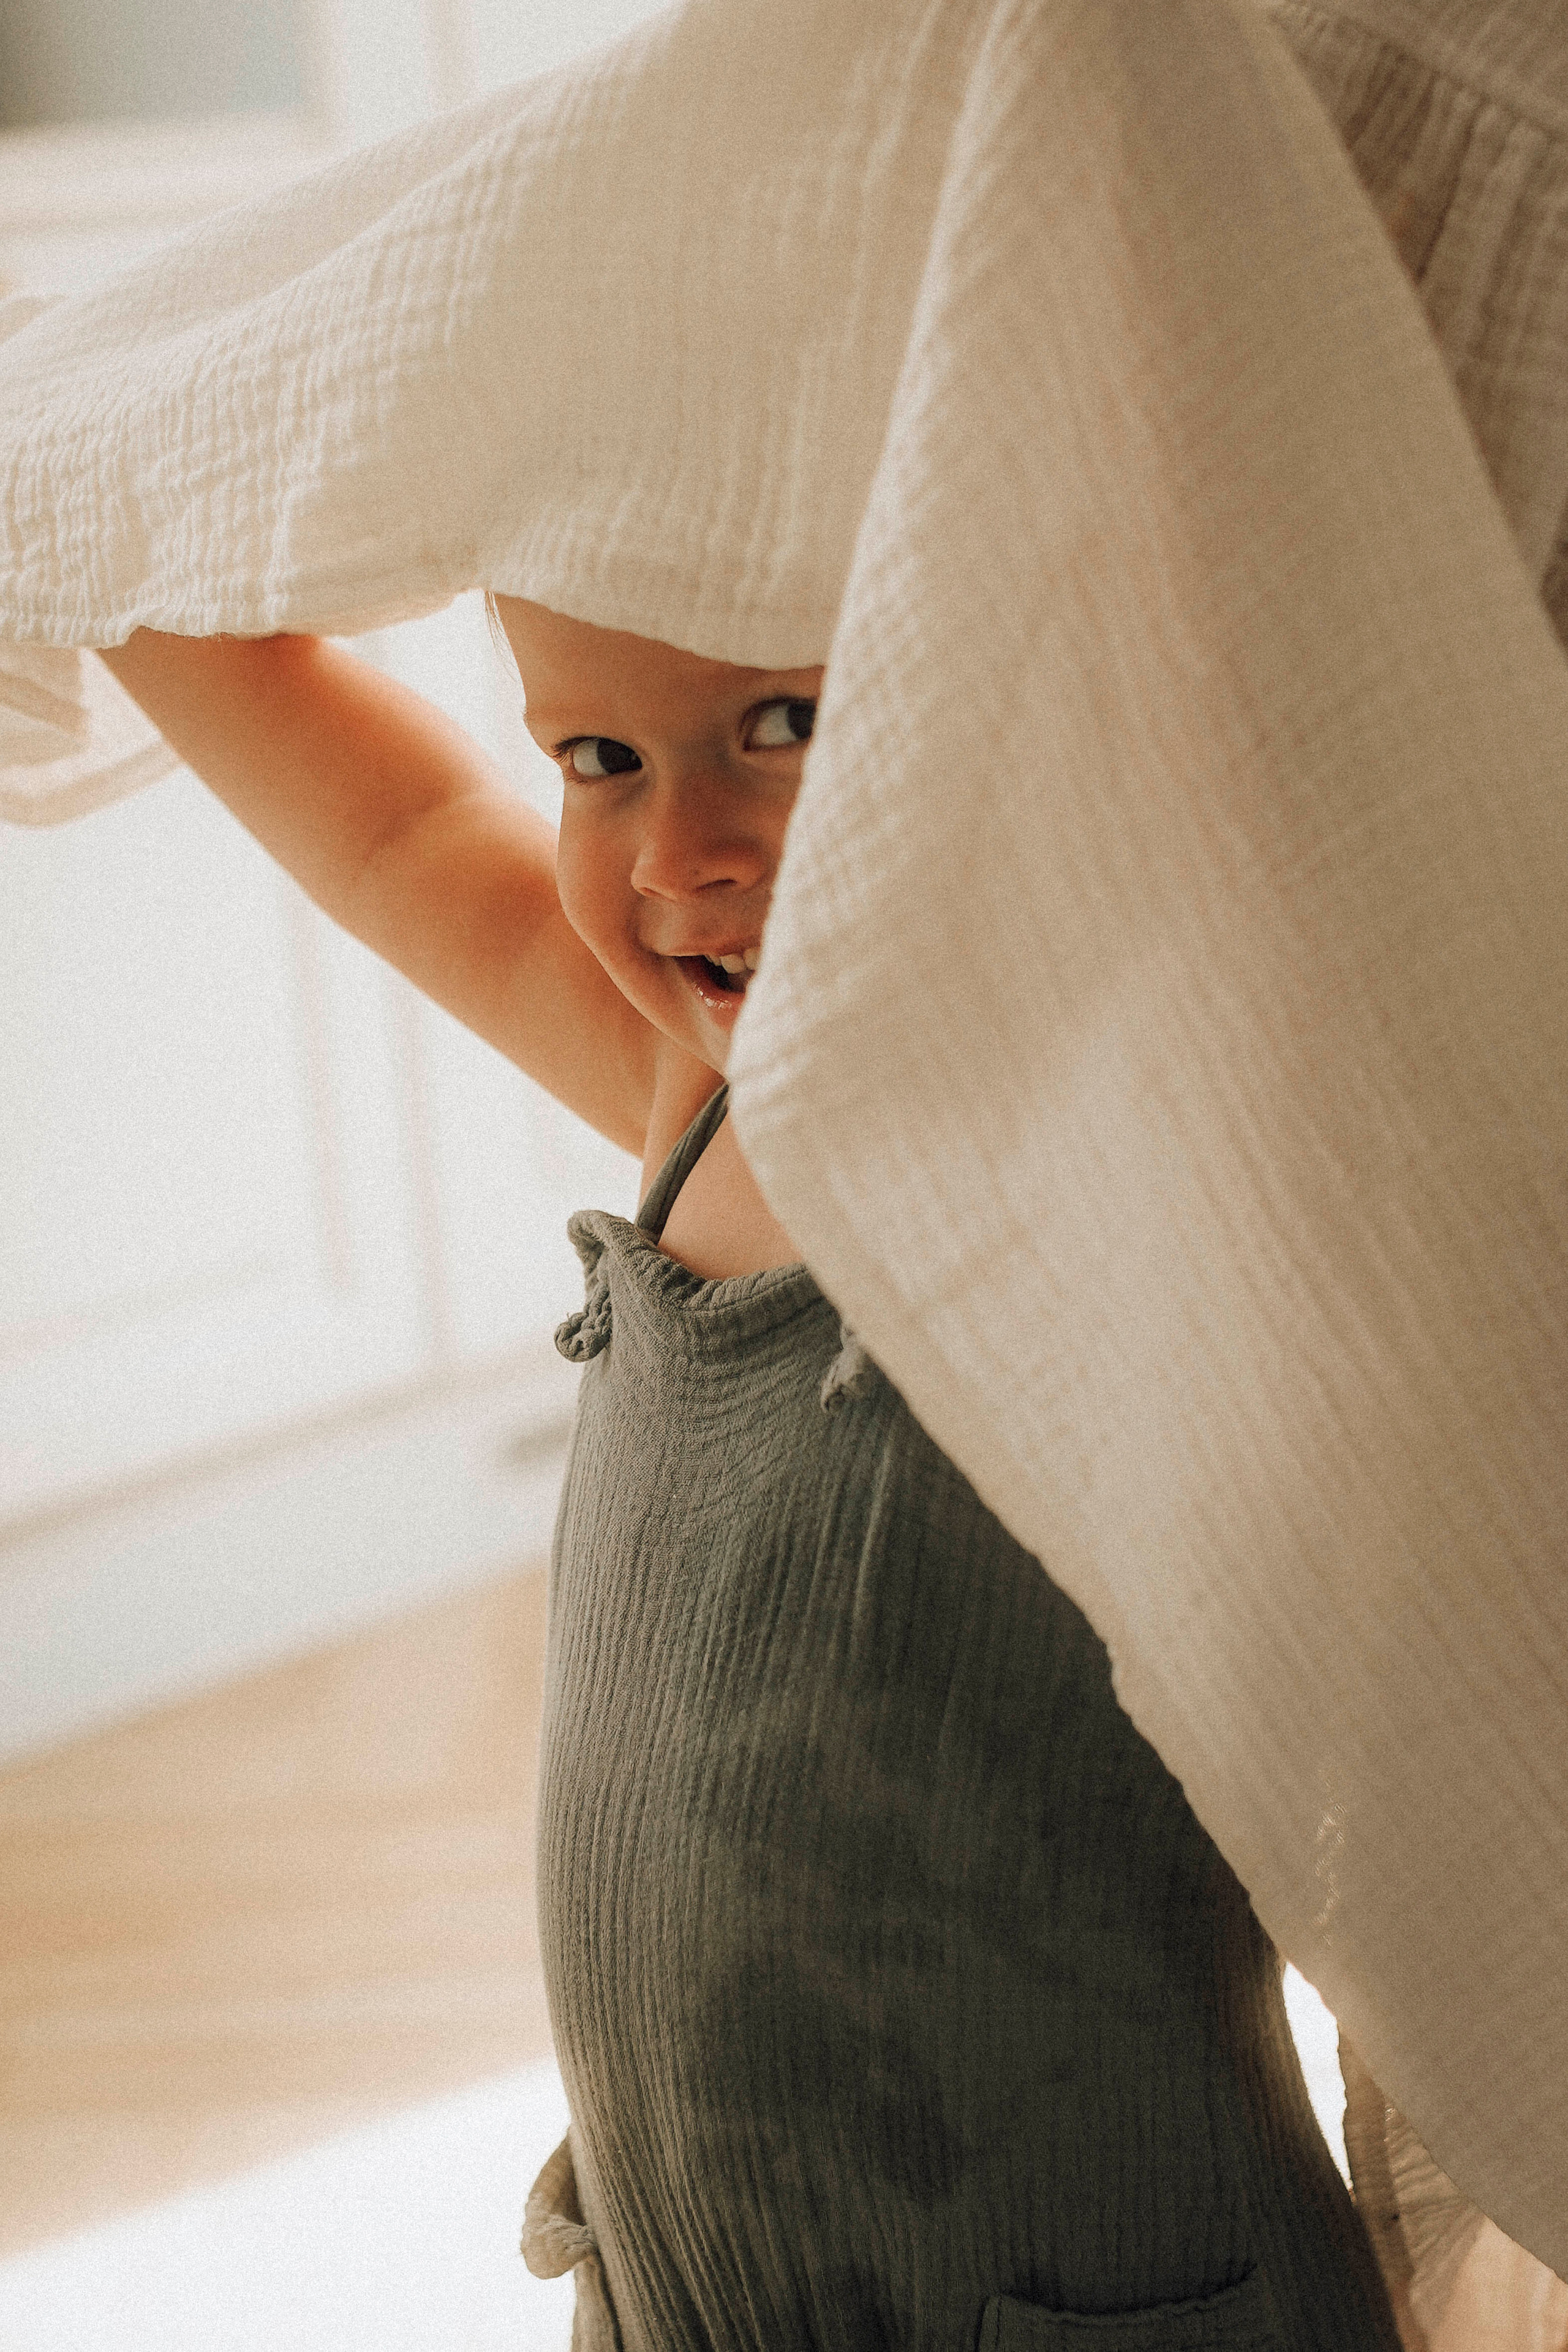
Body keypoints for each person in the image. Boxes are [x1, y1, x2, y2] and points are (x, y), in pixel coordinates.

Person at [93, 600, 1404, 2352]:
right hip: (685, 2284)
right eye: (598, 759)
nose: (681, 850)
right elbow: (386, 817)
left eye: (781, 725)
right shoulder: (686, 1095)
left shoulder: (1128, 1150)